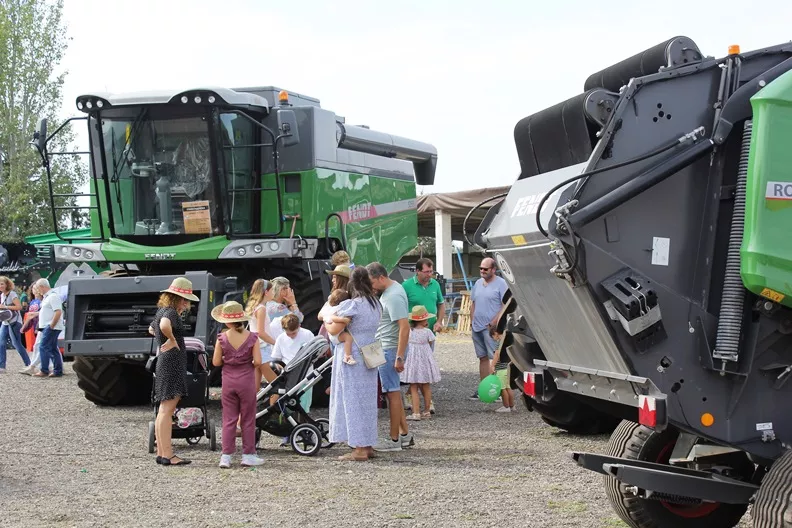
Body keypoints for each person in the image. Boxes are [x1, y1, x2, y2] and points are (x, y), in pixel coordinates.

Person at [324, 267, 382, 461]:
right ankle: (368, 444)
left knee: (353, 402)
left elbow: (334, 331)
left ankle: (359, 449)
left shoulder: (353, 305)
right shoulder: (375, 304)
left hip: (353, 357)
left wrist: (327, 319)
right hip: (370, 354)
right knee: (367, 402)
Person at [148, 277, 198, 466]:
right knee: (168, 410)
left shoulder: (161, 311)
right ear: (176, 298)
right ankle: (168, 455)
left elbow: (151, 329)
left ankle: (162, 453)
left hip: (164, 361)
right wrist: (171, 340)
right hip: (172, 363)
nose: (186, 304)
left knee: (163, 410)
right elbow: (163, 326)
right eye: (184, 300)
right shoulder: (170, 313)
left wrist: (162, 340)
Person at [366, 262, 414, 452]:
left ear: (381, 277)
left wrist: (399, 356)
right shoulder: (390, 292)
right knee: (391, 391)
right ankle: (404, 435)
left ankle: (393, 441)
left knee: (392, 393)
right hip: (383, 347)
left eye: (372, 283)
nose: (371, 287)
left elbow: (404, 327)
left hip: (389, 349)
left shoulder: (393, 296)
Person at [211, 301, 265, 468]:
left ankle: (226, 457)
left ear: (226, 322)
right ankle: (248, 454)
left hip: (228, 380)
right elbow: (258, 361)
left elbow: (216, 362)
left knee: (229, 419)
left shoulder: (222, 338)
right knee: (248, 418)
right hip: (246, 380)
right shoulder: (252, 337)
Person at [469, 257, 509, 401]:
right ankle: (483, 388)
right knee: (482, 358)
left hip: (492, 329)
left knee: (495, 359)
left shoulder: (502, 284)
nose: (482, 271)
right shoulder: (478, 283)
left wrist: (494, 321)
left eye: (485, 269)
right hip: (477, 327)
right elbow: (473, 303)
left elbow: (506, 304)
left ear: (493, 269)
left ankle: (496, 390)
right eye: (480, 268)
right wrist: (472, 320)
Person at [400, 306, 441, 420]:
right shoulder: (428, 332)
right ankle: (427, 411)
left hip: (413, 361)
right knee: (426, 385)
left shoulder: (409, 332)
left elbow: (405, 344)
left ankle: (416, 412)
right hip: (425, 360)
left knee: (413, 386)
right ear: (423, 321)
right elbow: (431, 344)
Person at [245, 279, 277, 388]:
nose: (273, 293)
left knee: (255, 387)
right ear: (266, 292)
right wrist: (276, 342)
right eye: (272, 290)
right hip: (262, 348)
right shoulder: (261, 309)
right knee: (276, 385)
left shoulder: (255, 307)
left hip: (255, 347)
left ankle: (250, 405)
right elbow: (261, 332)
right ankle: (276, 405)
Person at [402, 258, 445, 334]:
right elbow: (400, 307)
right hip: (412, 333)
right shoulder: (406, 286)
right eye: (426, 272)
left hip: (431, 331)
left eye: (431, 271)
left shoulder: (435, 284)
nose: (429, 274)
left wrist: (439, 322)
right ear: (417, 271)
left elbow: (441, 304)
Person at [0, 275, 31, 372]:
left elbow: (19, 307)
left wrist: (4, 307)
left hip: (14, 322)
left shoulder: (12, 294)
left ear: (7, 284)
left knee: (17, 344)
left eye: (2, 284)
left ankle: (28, 364)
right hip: (6, 322)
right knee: (1, 343)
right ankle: (2, 367)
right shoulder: (2, 295)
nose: (0, 286)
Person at [32, 278, 62, 378]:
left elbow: (58, 311)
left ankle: (44, 370)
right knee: (53, 348)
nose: (37, 291)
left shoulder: (53, 296)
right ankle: (58, 370)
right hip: (48, 326)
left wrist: (51, 326)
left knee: (43, 347)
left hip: (50, 327)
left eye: (37, 288)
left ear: (42, 287)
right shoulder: (47, 297)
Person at [323, 289, 355, 365]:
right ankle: (347, 356)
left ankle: (347, 356)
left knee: (348, 338)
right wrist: (343, 320)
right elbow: (333, 317)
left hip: (335, 334)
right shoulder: (335, 309)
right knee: (348, 338)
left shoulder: (333, 308)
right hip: (335, 336)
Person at [489, 327, 515, 413]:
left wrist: (492, 365)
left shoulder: (499, 343)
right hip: (508, 368)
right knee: (508, 387)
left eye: (493, 337)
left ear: (495, 334)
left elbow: (497, 354)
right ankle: (512, 406)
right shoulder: (507, 342)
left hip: (501, 369)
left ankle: (506, 406)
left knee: (502, 388)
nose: (494, 339)